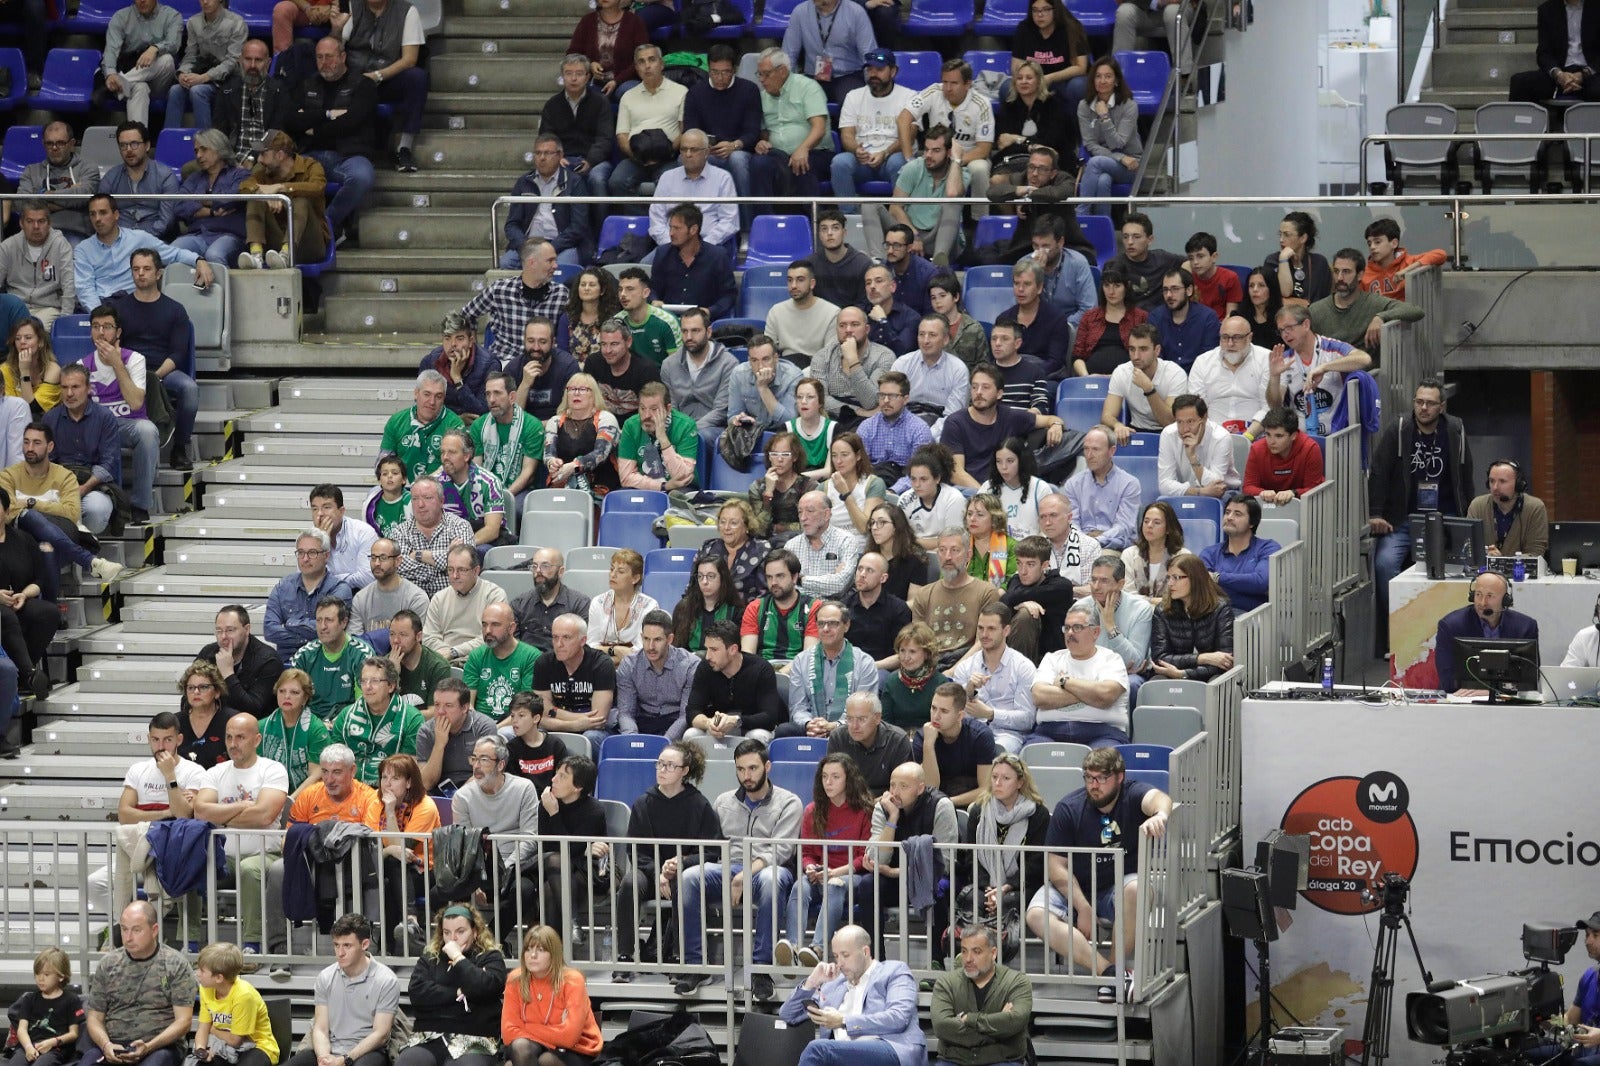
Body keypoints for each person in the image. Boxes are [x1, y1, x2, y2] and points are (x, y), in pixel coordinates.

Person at [1024, 747, 1170, 997]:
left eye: (1101, 778)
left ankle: (1117, 970)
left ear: (1120, 777)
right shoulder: (1069, 807)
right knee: (1036, 915)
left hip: (1117, 886)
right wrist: (1083, 907)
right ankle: (1111, 974)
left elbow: (1160, 799)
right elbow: (1055, 866)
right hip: (1076, 886)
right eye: (1088, 777)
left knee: (1137, 889)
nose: (1094, 785)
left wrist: (1161, 815)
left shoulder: (1132, 794)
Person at [678, 739, 804, 999]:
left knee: (772, 879)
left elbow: (781, 850)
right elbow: (713, 846)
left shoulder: (789, 802)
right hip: (727, 867)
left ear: (767, 766)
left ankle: (760, 968)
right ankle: (695, 966)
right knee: (690, 877)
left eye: (753, 768)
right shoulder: (724, 801)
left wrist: (746, 873)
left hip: (769, 868)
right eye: (741, 769)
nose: (747, 776)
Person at [1368, 379, 1474, 629]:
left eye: (1430, 403)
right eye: (1419, 402)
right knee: (1384, 565)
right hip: (1405, 518)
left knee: (1468, 566)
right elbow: (1380, 471)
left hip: (1446, 515)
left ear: (1442, 407)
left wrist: (1467, 516)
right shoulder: (1400, 428)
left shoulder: (1455, 429)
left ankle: (1456, 630)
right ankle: (1400, 628)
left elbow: (1465, 474)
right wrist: (1375, 513)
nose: (1423, 407)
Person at [610, 740, 722, 976]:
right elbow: (636, 850)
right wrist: (659, 872)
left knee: (685, 885)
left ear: (684, 771)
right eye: (660, 764)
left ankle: (680, 957)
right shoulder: (644, 802)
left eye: (670, 765)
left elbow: (712, 850)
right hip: (651, 874)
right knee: (630, 883)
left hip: (683, 875)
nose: (662, 769)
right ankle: (625, 957)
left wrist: (678, 867)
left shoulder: (699, 804)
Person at [84, 712, 208, 919]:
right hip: (137, 847)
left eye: (168, 740)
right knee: (94, 883)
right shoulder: (138, 769)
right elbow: (124, 815)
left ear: (179, 739)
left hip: (172, 853)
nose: (161, 746)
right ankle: (131, 927)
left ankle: (143, 930)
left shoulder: (194, 772)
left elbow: (184, 815)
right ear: (149, 739)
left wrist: (170, 776)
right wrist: (166, 812)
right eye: (156, 739)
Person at [188, 715, 289, 955]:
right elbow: (200, 812)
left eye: (240, 737)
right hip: (224, 856)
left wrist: (220, 815)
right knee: (191, 867)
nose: (233, 743)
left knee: (249, 868)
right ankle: (189, 942)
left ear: (257, 739)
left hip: (264, 853)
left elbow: (264, 815)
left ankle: (252, 943)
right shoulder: (215, 772)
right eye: (229, 737)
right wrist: (243, 806)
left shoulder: (272, 770)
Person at [776, 754, 876, 969]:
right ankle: (792, 949)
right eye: (824, 777)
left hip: (849, 876)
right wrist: (810, 867)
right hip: (820, 874)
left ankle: (817, 948)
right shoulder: (812, 810)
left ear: (849, 779)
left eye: (835, 777)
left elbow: (862, 858)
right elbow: (806, 853)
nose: (828, 782)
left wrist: (834, 872)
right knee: (799, 886)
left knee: (834, 886)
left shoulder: (864, 810)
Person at [776, 925, 925, 1066]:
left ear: (865, 952)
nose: (839, 963)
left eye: (845, 955)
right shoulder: (833, 983)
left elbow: (898, 1018)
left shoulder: (894, 971)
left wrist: (844, 1021)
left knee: (817, 1050)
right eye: (835, 956)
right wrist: (811, 982)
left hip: (890, 1048)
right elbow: (788, 1015)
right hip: (843, 1054)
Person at [0, 421, 126, 587]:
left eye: (37, 443)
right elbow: (7, 512)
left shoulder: (65, 476)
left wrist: (32, 503)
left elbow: (72, 514)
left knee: (37, 530)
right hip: (21, 539)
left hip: (63, 532)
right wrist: (47, 508)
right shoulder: (8, 475)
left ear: (50, 446)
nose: (30, 448)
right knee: (43, 543)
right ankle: (90, 562)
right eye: (26, 442)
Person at [280, 37, 379, 242]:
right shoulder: (306, 84)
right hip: (307, 154)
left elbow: (353, 121)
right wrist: (328, 114)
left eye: (330, 56)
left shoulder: (364, 85)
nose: (324, 62)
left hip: (347, 154)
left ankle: (325, 225)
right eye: (319, 57)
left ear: (343, 57)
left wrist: (312, 128)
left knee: (362, 177)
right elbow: (290, 120)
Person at [82, 901, 197, 1066]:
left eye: (136, 930)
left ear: (154, 930)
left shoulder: (175, 964)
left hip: (160, 1046)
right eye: (124, 929)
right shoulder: (108, 964)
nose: (128, 937)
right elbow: (94, 1017)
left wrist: (149, 1046)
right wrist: (106, 1044)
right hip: (113, 1044)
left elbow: (184, 1021)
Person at [448, 737, 541, 939]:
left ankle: (490, 939)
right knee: (453, 885)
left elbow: (530, 838)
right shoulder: (462, 797)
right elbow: (466, 843)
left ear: (500, 764)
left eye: (483, 759)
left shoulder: (524, 788)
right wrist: (478, 875)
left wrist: (505, 869)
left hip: (516, 864)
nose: (476, 766)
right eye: (474, 759)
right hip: (481, 865)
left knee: (524, 890)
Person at [952, 754, 1050, 937]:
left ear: (1020, 782)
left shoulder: (1038, 814)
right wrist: (987, 888)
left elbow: (1036, 863)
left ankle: (1000, 960)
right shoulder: (979, 810)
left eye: (1006, 778)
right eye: (995, 777)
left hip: (1022, 884)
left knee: (1008, 903)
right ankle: (973, 957)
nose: (998, 783)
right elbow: (971, 857)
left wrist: (1006, 887)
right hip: (985, 884)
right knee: (973, 899)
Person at [399, 906, 507, 1066]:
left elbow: (486, 987)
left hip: (476, 1037)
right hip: (430, 1035)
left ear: (475, 931)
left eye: (460, 931)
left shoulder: (490, 957)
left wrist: (458, 958)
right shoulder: (430, 958)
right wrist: (458, 992)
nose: (452, 939)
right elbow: (418, 993)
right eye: (447, 932)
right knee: (408, 1061)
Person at [285, 914, 399, 1066]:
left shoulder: (386, 980)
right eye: (336, 945)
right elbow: (320, 1028)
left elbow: (381, 1034)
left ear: (364, 944)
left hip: (367, 1052)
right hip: (330, 1048)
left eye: (347, 946)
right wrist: (324, 1058)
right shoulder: (325, 977)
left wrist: (344, 1060)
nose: (340, 953)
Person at [862, 761, 958, 928]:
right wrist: (892, 819)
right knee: (868, 885)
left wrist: (894, 872)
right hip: (897, 879)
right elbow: (877, 859)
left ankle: (937, 954)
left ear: (920, 789)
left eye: (903, 786)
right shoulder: (883, 807)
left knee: (939, 889)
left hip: (932, 877)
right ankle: (874, 953)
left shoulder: (940, 805)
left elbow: (944, 864)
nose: (895, 792)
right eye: (892, 785)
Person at [896, 57, 995, 214]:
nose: (948, 88)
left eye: (954, 83)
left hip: (969, 156)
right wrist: (908, 158)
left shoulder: (982, 104)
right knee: (911, 167)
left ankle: (979, 221)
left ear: (968, 84)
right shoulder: (934, 91)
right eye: (945, 82)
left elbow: (983, 149)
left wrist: (955, 161)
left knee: (980, 169)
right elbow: (903, 118)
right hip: (936, 152)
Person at [682, 45, 764, 229]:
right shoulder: (696, 93)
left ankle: (746, 228)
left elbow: (753, 131)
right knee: (685, 161)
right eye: (715, 72)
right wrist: (704, 147)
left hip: (738, 149)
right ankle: (694, 225)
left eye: (725, 72)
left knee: (738, 161)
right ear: (708, 69)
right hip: (706, 151)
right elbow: (690, 129)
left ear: (734, 70)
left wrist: (734, 144)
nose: (720, 78)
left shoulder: (749, 90)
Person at [1028, 604, 1131, 747]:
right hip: (1050, 732)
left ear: (1095, 632)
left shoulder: (1111, 659)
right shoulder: (1052, 658)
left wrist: (1066, 682)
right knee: (1033, 755)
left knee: (1102, 763)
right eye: (1066, 628)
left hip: (1103, 733)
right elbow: (1039, 696)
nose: (1070, 633)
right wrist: (1090, 692)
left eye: (1077, 628)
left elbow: (1106, 695)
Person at [929, 925, 1034, 1066]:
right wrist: (997, 1031)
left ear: (993, 953)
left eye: (976, 952)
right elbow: (942, 1026)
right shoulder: (946, 983)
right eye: (964, 951)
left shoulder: (1016, 982)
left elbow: (1016, 1020)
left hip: (1001, 1060)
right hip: (955, 1060)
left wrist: (969, 1019)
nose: (968, 959)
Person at [460, 239, 570, 372]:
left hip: (545, 362)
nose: (555, 266)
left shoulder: (561, 294)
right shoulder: (500, 290)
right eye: (550, 261)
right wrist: (474, 351)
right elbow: (466, 315)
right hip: (505, 360)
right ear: (532, 263)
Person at [865, 128, 968, 267]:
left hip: (940, 237)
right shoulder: (913, 168)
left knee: (952, 203)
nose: (929, 155)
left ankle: (939, 265)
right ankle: (879, 264)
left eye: (936, 151)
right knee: (869, 204)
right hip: (908, 234)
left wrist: (956, 160)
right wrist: (913, 235)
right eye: (926, 149)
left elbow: (952, 193)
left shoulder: (961, 173)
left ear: (949, 152)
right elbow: (895, 209)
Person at [1265, 304, 1372, 437]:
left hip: (1336, 435)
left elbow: (1364, 359)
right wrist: (1274, 377)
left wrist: (1324, 367)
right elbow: (1275, 406)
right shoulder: (1285, 360)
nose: (1285, 335)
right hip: (1300, 438)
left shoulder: (1332, 348)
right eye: (1281, 330)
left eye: (1289, 328)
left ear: (1306, 324)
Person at [501, 926, 602, 1066]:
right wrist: (557, 1030)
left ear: (554, 954)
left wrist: (525, 1026)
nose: (533, 955)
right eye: (528, 949)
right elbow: (508, 1034)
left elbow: (569, 1038)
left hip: (577, 1049)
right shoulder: (515, 980)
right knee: (519, 1048)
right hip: (534, 1045)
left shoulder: (572, 980)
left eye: (540, 950)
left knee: (545, 1061)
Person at [785, 600, 883, 737]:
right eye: (821, 624)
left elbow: (865, 711)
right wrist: (810, 724)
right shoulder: (801, 661)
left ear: (846, 625)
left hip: (850, 731)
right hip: (811, 730)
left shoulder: (865, 663)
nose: (825, 629)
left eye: (832, 623)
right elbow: (798, 707)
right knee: (784, 731)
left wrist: (834, 726)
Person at [948, 604, 1037, 754]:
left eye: (991, 629)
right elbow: (954, 715)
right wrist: (968, 691)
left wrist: (991, 714)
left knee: (996, 750)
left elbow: (1027, 719)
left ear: (1006, 631)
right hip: (970, 733)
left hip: (1008, 735)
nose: (984, 634)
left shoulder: (1023, 667)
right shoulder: (965, 668)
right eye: (980, 628)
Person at [237, 130, 329, 272]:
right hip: (275, 245)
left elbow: (318, 188)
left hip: (309, 242)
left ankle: (287, 254)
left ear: (280, 155)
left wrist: (280, 188)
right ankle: (256, 256)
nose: (259, 160)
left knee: (300, 201)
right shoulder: (262, 170)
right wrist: (265, 196)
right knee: (255, 198)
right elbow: (244, 186)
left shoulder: (310, 166)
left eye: (263, 154)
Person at [832, 53, 913, 211]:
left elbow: (910, 135)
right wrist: (856, 149)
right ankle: (850, 219)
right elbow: (847, 134)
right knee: (840, 162)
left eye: (880, 69)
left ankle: (900, 217)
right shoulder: (853, 96)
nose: (873, 74)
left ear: (893, 71)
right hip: (862, 160)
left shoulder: (908, 96)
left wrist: (885, 152)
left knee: (899, 162)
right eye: (870, 69)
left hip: (891, 156)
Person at [501, 133, 593, 271]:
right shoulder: (524, 182)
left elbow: (578, 227)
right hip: (529, 244)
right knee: (506, 263)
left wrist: (549, 248)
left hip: (562, 245)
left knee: (560, 267)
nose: (542, 158)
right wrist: (524, 246)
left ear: (560, 155)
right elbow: (511, 225)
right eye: (538, 153)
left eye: (547, 153)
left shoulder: (574, 182)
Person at [751, 49, 832, 205]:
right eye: (759, 74)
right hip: (778, 155)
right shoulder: (763, 97)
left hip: (815, 152)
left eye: (766, 74)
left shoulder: (807, 87)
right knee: (758, 163)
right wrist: (762, 142)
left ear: (782, 71)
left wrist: (803, 149)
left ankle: (811, 223)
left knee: (802, 164)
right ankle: (764, 222)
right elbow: (765, 131)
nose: (761, 79)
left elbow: (819, 128)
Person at [912, 530, 1002, 668]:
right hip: (930, 663)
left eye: (955, 550)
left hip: (968, 664)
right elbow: (918, 642)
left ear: (968, 555)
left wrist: (953, 672)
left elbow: (983, 643)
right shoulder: (924, 594)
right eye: (942, 550)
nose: (948, 557)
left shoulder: (986, 592)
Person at [609, 44, 689, 200]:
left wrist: (662, 153)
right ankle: (643, 221)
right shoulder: (627, 96)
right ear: (637, 68)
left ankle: (663, 222)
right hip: (637, 158)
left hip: (668, 156)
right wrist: (639, 156)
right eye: (641, 62)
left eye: (651, 60)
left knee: (669, 183)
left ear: (661, 64)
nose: (647, 66)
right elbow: (622, 136)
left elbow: (683, 131)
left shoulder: (681, 91)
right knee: (616, 182)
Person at [266, 529, 355, 667]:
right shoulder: (282, 587)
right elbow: (270, 630)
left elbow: (331, 630)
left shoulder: (340, 589)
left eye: (312, 553)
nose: (305, 558)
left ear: (326, 556)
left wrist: (289, 624)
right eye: (301, 553)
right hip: (286, 665)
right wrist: (307, 637)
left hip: (325, 664)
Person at [330, 656, 425, 785]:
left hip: (390, 792)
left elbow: (411, 771)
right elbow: (334, 761)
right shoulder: (346, 716)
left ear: (391, 686)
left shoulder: (411, 719)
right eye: (363, 681)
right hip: (350, 789)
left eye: (375, 681)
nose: (367, 687)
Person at [1309, 247, 1425, 353]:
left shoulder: (1373, 303)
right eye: (1336, 271)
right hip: (1328, 371)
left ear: (1360, 275)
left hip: (1365, 373)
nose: (1339, 278)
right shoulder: (1317, 310)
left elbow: (1415, 311)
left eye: (1346, 272)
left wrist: (1381, 317)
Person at [688, 620, 787, 742]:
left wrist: (736, 720)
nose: (708, 656)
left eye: (714, 650)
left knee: (757, 736)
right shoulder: (705, 668)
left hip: (751, 727)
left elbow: (769, 717)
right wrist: (708, 723)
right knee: (691, 734)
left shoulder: (761, 669)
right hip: (717, 728)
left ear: (733, 649)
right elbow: (692, 711)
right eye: (707, 649)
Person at [531, 615, 617, 751]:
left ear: (583, 640)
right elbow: (540, 714)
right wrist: (576, 724)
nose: (559, 644)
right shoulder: (544, 663)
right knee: (532, 730)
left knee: (592, 736)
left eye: (566, 638)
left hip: (594, 730)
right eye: (555, 637)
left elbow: (597, 720)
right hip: (562, 726)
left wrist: (554, 713)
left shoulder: (601, 664)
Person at [648, 134, 739, 261]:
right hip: (671, 246)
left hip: (709, 247)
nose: (688, 154)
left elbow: (729, 222)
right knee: (644, 266)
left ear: (707, 152)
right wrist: (672, 244)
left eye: (694, 149)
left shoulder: (723, 178)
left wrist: (700, 247)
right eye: (684, 149)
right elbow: (656, 219)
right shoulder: (667, 177)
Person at [469, 374, 543, 527]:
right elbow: (476, 469)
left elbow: (528, 474)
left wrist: (502, 496)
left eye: (497, 393)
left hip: (518, 490)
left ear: (512, 396)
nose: (491, 400)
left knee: (516, 508)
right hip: (485, 490)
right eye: (488, 394)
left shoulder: (531, 425)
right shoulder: (479, 426)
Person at [1147, 555, 1234, 682]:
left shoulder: (1220, 609)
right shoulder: (1162, 610)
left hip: (1209, 675)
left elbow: (1225, 661)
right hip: (1171, 673)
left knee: (1218, 682)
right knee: (1157, 681)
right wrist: (1203, 658)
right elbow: (1160, 658)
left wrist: (1184, 673)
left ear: (1195, 579)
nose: (1170, 583)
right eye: (1169, 577)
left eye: (1176, 578)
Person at [289, 596, 375, 720]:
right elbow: (292, 702)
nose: (322, 626)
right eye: (318, 620)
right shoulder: (304, 655)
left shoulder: (362, 654)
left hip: (348, 724)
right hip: (311, 726)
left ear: (344, 622)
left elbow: (365, 705)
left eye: (329, 620)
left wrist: (338, 725)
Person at [913, 684, 997, 808]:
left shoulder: (980, 736)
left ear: (960, 716)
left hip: (971, 803)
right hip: (934, 803)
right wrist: (928, 745)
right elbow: (930, 788)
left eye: (944, 711)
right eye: (933, 708)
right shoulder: (923, 737)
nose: (936, 716)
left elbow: (986, 789)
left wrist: (947, 802)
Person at [648, 205, 736, 323]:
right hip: (668, 322)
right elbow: (653, 288)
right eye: (670, 228)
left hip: (705, 323)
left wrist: (710, 311)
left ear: (693, 230)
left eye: (677, 228)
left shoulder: (717, 256)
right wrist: (654, 300)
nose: (671, 233)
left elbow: (728, 295)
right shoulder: (662, 254)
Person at [1186, 315, 1271, 437]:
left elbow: (1269, 406)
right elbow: (1197, 408)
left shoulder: (1266, 359)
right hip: (1212, 435)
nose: (1230, 344)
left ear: (1250, 337)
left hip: (1256, 436)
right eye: (1225, 338)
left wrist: (1247, 437)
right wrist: (1216, 438)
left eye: (1237, 338)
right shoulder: (1203, 362)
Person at [1076, 58, 1141, 217]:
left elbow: (1118, 143)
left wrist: (1104, 117)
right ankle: (1103, 224)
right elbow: (1090, 144)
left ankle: (1080, 214)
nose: (1102, 81)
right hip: (1111, 161)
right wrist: (1119, 157)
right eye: (1098, 76)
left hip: (1131, 164)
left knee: (1095, 162)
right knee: (1103, 180)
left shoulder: (1129, 105)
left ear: (1116, 80)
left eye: (1108, 76)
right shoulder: (1084, 106)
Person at [616, 609, 697, 737]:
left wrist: (665, 742)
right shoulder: (629, 665)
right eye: (646, 639)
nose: (650, 646)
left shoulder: (689, 665)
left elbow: (685, 716)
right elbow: (626, 713)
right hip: (642, 722)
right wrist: (631, 739)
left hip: (675, 724)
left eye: (657, 640)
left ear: (670, 639)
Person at [192, 942, 275, 1066]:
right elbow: (203, 1028)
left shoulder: (243, 996)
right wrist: (201, 1050)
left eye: (202, 971)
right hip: (222, 1044)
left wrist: (213, 1029)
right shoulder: (206, 988)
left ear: (219, 978)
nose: (198, 973)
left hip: (257, 1046)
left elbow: (235, 1040)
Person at [102, 0, 182, 127]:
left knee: (167, 59)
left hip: (159, 80)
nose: (142, 1)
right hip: (131, 71)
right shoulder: (121, 16)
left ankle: (121, 83)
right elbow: (111, 50)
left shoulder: (172, 15)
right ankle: (138, 140)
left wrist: (155, 48)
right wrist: (111, 74)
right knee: (140, 87)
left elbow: (174, 44)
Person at [1102, 324, 1188, 442]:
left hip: (1170, 434)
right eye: (1132, 349)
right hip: (1136, 431)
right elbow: (1107, 416)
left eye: (1143, 349)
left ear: (1157, 350)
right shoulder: (1121, 372)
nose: (1136, 356)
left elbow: (1169, 422)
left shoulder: (1175, 374)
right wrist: (1117, 425)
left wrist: (1149, 389)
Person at [392, 479, 475, 598]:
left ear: (442, 501)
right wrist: (447, 557)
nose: (420, 504)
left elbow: (464, 565)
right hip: (411, 605)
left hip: (454, 601)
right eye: (415, 499)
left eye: (427, 498)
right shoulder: (400, 532)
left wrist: (418, 555)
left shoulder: (460, 526)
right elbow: (397, 567)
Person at [1063, 426, 1142, 551]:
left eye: (1095, 449)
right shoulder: (1073, 484)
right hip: (1080, 545)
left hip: (1113, 546)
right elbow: (1072, 523)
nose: (1089, 455)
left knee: (1103, 562)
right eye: (1086, 449)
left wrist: (1097, 541)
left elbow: (1124, 526)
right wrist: (1084, 541)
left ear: (1111, 451)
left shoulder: (1129, 484)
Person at [1198, 494, 1280, 614]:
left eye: (1237, 514)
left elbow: (1260, 582)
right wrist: (1245, 583)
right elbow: (1201, 583)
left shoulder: (1268, 548)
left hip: (1255, 617)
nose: (1229, 517)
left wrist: (1217, 578)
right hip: (1217, 615)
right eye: (1227, 512)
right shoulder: (1210, 553)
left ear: (1252, 523)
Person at [96, 123, 179, 241]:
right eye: (123, 145)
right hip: (119, 241)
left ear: (147, 146)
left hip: (155, 240)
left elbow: (166, 221)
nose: (128, 150)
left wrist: (138, 240)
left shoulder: (165, 176)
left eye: (134, 144)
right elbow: (102, 215)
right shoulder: (111, 177)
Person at [543, 371, 621, 496]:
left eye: (583, 389)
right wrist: (552, 462)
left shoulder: (606, 419)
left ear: (594, 395)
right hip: (562, 485)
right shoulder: (555, 421)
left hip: (600, 487)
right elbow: (548, 454)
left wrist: (574, 466)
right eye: (572, 389)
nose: (576, 393)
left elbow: (600, 454)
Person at [998, 536, 1076, 660]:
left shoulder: (1060, 586)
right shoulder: (1016, 580)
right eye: (1019, 563)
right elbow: (1000, 607)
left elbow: (1011, 597)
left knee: (1025, 614)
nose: (1023, 571)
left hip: (1052, 657)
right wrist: (1020, 603)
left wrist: (1017, 603)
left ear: (1045, 565)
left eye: (1030, 564)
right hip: (1018, 649)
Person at [0, 208, 76, 332]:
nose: (36, 226)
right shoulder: (8, 246)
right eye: (30, 221)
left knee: (32, 332)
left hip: (48, 308)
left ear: (49, 223)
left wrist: (65, 320)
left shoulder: (61, 245)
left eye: (41, 221)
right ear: (21, 223)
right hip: (15, 307)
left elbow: (69, 286)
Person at [416, 678, 500, 791]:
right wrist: (439, 745)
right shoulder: (426, 731)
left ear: (465, 708)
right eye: (437, 704)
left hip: (476, 790)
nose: (440, 711)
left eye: (448, 705)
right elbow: (426, 784)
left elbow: (485, 773)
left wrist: (459, 798)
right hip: (438, 792)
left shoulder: (483, 727)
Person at [381, 372, 465, 483]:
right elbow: (383, 463)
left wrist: (425, 486)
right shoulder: (396, 421)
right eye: (427, 394)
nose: (432, 402)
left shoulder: (454, 425)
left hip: (442, 490)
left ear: (444, 398)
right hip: (402, 490)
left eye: (438, 396)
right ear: (416, 393)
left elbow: (457, 467)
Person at [460, 604, 538, 723]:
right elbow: (467, 704)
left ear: (511, 628)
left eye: (495, 625)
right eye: (484, 624)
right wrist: (480, 727)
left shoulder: (531, 657)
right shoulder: (476, 656)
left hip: (515, 725)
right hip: (480, 722)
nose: (488, 631)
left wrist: (494, 730)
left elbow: (525, 709)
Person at [258, 668, 330, 795]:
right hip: (267, 794)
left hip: (306, 797)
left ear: (305, 698)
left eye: (294, 692)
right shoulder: (261, 726)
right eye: (282, 691)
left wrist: (290, 801)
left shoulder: (316, 729)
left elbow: (316, 775)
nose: (286, 696)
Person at [659, 308, 738, 424]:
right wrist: (680, 430)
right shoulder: (669, 365)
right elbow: (671, 407)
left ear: (709, 332)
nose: (689, 337)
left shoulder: (728, 364)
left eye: (695, 331)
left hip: (713, 428)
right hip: (679, 427)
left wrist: (692, 431)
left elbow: (721, 410)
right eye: (684, 331)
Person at [617, 382, 699, 492]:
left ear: (668, 409)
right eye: (642, 408)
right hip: (645, 487)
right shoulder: (631, 426)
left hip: (681, 489)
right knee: (623, 496)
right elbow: (626, 478)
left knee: (680, 496)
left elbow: (682, 477)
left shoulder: (685, 426)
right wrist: (663, 486)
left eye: (654, 409)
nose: (646, 416)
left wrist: (663, 439)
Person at [711, 334, 801, 433]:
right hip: (751, 434)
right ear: (749, 360)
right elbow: (732, 417)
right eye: (754, 360)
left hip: (784, 436)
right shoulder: (739, 374)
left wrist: (763, 388)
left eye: (766, 359)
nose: (760, 366)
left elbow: (789, 423)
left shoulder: (793, 377)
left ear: (776, 358)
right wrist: (738, 420)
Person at [213, 41, 289, 159]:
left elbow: (275, 134)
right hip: (231, 156)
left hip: (265, 157)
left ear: (268, 63)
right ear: (240, 61)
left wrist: (252, 158)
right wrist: (227, 159)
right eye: (248, 59)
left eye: (258, 60)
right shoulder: (227, 90)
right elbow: (219, 131)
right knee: (189, 169)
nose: (252, 65)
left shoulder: (279, 91)